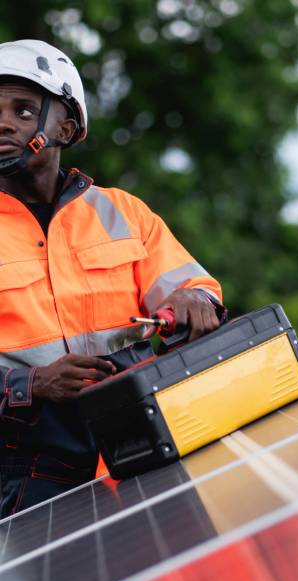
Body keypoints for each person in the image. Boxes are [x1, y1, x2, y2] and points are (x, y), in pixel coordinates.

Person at [0, 40, 223, 516]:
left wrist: (195, 301)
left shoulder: (122, 211)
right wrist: (31, 385)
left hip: (147, 447)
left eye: (23, 110)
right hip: (26, 478)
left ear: (67, 126)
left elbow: (193, 288)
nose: (3, 123)